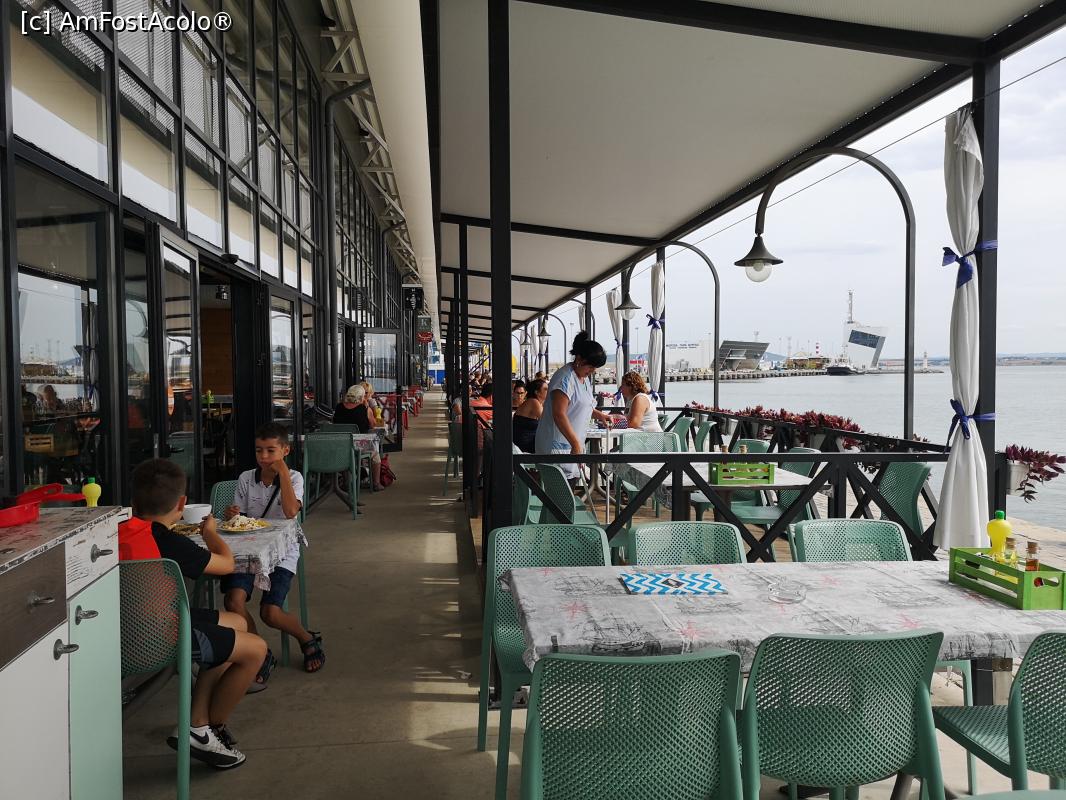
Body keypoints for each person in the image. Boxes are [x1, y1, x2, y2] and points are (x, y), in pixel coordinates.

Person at [119, 458, 267, 769]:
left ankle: (197, 722)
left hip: (126, 628)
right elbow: (227, 564)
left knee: (237, 623)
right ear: (181, 504)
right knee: (256, 649)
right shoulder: (170, 542)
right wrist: (210, 533)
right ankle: (205, 729)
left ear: (133, 501)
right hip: (156, 637)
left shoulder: (121, 531)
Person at [221, 424, 325, 683]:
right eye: (259, 451)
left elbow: (290, 512)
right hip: (248, 550)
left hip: (282, 550)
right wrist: (232, 514)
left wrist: (284, 474)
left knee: (270, 612)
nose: (264, 457)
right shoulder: (247, 478)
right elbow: (242, 518)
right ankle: (260, 652)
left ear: (285, 450)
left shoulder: (295, 478)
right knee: (233, 601)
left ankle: (306, 638)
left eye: (271, 450)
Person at [535, 332, 611, 482]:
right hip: (557, 446)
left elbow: (581, 405)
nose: (593, 371)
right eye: (591, 366)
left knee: (566, 490)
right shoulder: (565, 378)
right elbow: (559, 414)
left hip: (571, 444)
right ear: (579, 359)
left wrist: (600, 415)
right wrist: (575, 443)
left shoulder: (583, 378)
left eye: (595, 367)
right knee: (561, 493)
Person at [331, 385, 384, 490]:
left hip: (340, 445)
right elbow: (373, 425)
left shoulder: (339, 407)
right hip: (359, 446)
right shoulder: (364, 409)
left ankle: (346, 482)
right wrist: (367, 408)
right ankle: (376, 484)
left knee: (346, 454)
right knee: (375, 455)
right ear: (361, 397)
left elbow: (334, 424)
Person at [512, 378, 547, 453]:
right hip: (525, 445)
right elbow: (547, 422)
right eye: (545, 389)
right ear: (537, 392)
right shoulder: (533, 402)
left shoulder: (534, 402)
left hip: (525, 442)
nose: (548, 390)